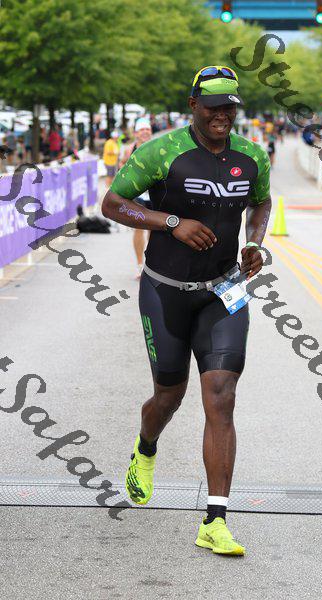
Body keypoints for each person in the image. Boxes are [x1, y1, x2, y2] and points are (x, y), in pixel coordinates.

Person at [102, 65, 271, 556]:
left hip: (224, 291)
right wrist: (171, 222)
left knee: (221, 395)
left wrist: (255, 243)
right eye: (214, 106)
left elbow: (261, 204)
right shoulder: (162, 151)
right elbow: (113, 204)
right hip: (166, 290)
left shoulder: (252, 155)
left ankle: (215, 519)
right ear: (194, 104)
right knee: (169, 396)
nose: (223, 115)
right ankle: (146, 446)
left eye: (230, 107)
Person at [119, 117, 153, 279]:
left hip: (154, 193)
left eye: (147, 129)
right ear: (136, 133)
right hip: (137, 194)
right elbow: (121, 167)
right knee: (139, 228)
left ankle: (151, 265)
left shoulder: (157, 147)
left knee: (154, 229)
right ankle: (140, 265)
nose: (145, 132)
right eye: (141, 130)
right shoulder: (129, 150)